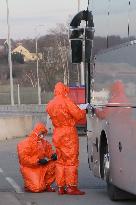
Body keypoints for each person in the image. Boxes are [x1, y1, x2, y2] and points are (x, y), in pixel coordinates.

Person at [46, 82, 86, 195]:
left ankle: (61, 187)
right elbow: (78, 115)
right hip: (68, 133)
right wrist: (83, 110)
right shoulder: (66, 101)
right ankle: (71, 186)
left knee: (60, 161)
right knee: (71, 160)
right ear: (64, 90)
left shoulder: (50, 104)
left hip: (57, 133)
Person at [17, 122, 57, 193]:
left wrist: (53, 155)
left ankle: (46, 184)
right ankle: (28, 184)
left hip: (40, 166)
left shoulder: (44, 142)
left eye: (43, 133)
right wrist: (37, 161)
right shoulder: (25, 143)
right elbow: (23, 159)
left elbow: (49, 151)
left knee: (56, 164)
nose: (42, 135)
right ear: (36, 132)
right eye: (41, 132)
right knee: (37, 188)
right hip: (30, 167)